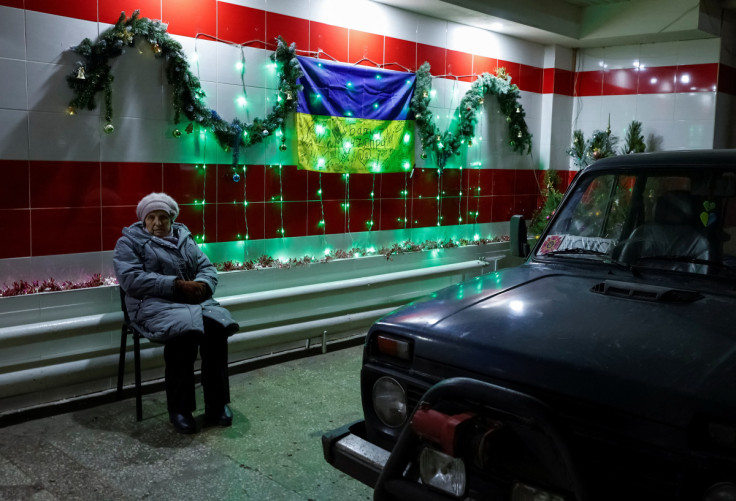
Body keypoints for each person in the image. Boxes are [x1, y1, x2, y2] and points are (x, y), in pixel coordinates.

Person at [113, 192, 239, 434]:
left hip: (192, 303)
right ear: (143, 220)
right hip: (152, 306)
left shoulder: (184, 237)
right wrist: (176, 286)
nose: (157, 223)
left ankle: (216, 404)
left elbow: (207, 267)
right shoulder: (129, 243)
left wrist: (203, 285)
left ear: (172, 218)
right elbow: (131, 279)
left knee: (216, 330)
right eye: (151, 218)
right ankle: (180, 410)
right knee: (184, 335)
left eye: (163, 217)